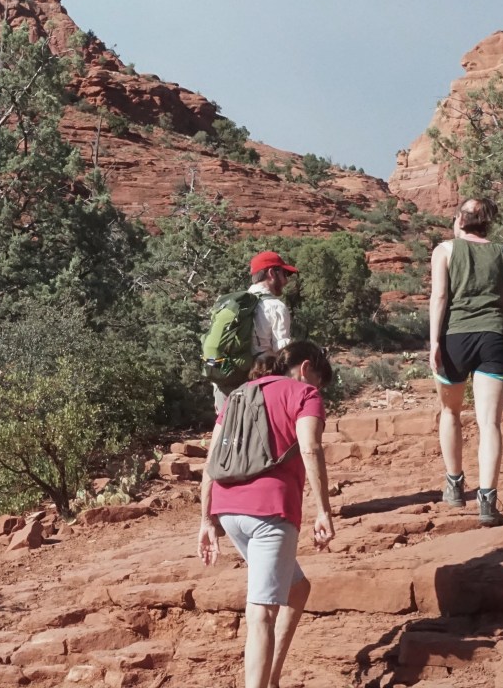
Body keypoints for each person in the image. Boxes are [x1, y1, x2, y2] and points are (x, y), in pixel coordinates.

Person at [199, 341, 335, 688]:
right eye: (318, 380)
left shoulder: (238, 396)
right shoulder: (304, 394)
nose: (317, 389)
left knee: (297, 589)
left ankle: (270, 679)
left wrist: (206, 520)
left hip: (229, 511)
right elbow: (310, 447)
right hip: (270, 514)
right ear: (306, 368)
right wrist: (323, 510)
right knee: (261, 613)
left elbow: (211, 461)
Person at [428, 197, 503, 527]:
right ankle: (487, 502)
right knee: (489, 424)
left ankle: (454, 486)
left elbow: (439, 297)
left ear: (458, 220)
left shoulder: (445, 250)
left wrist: (434, 341)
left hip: (455, 339)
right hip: (494, 338)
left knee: (450, 410)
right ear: (487, 224)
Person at [213, 250, 298, 413]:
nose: (287, 280)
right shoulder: (276, 307)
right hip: (257, 387)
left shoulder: (228, 304)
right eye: (285, 273)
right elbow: (283, 354)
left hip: (224, 385)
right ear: (272, 273)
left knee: (226, 437)